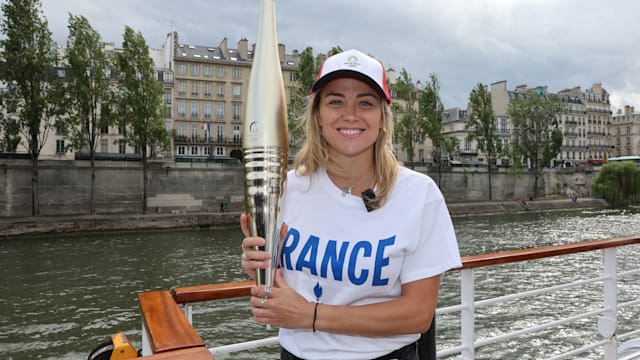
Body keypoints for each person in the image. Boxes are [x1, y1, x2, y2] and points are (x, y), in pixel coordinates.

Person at [240, 48, 461, 360]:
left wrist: (311, 316)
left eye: (366, 103)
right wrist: (260, 266)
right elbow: (284, 288)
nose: (350, 114)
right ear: (318, 115)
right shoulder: (286, 188)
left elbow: (417, 314)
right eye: (336, 101)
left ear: (383, 118)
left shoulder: (419, 194)